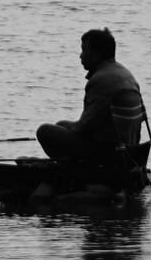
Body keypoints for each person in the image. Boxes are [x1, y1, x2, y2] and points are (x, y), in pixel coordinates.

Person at [36, 28, 141, 164]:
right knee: (61, 125)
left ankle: (78, 173)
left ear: (96, 54)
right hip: (128, 148)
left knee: (45, 131)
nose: (81, 56)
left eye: (84, 50)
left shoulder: (101, 79)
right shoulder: (124, 73)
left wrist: (69, 129)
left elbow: (85, 127)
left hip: (111, 153)